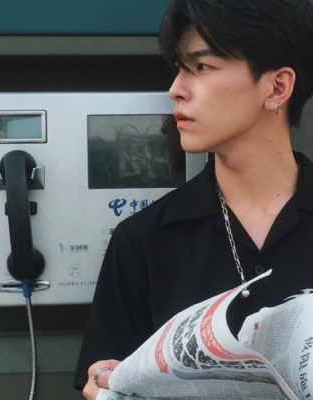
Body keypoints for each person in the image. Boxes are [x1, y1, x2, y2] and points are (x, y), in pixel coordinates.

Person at [74, 0, 313, 398]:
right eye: (179, 68)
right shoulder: (144, 240)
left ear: (277, 87)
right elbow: (102, 377)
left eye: (201, 67)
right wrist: (103, 383)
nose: (176, 89)